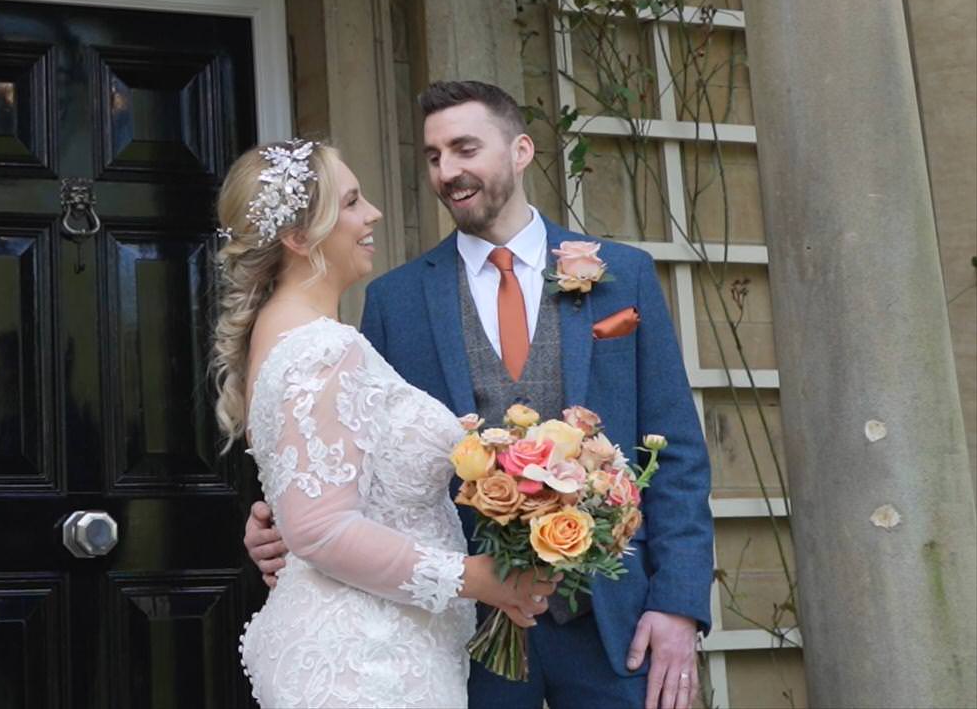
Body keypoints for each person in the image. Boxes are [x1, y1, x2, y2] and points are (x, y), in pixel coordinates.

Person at [242, 81, 714, 709]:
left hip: (616, 622)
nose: (448, 171)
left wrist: (678, 606)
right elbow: (345, 447)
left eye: (465, 148)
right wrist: (279, 521)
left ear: (521, 150)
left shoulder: (623, 275)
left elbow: (676, 450)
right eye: (434, 156)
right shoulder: (394, 300)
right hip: (468, 634)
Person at [213, 137, 557, 708]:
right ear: (299, 238)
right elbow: (321, 530)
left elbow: (316, 496)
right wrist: (475, 578)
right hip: (366, 662)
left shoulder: (287, 337)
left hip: (382, 644)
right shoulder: (321, 349)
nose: (372, 213)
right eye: (350, 202)